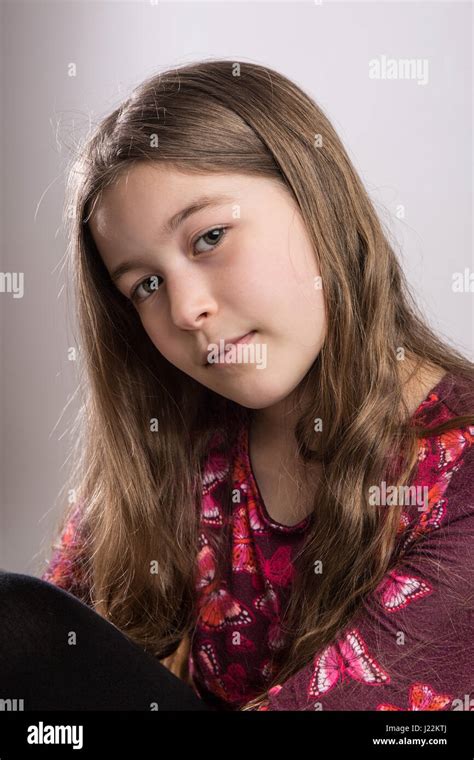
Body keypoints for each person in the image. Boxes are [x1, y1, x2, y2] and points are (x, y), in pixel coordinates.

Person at [4, 60, 474, 712]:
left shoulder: (461, 468)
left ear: (318, 200)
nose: (185, 309)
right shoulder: (174, 444)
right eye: (145, 284)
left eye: (210, 238)